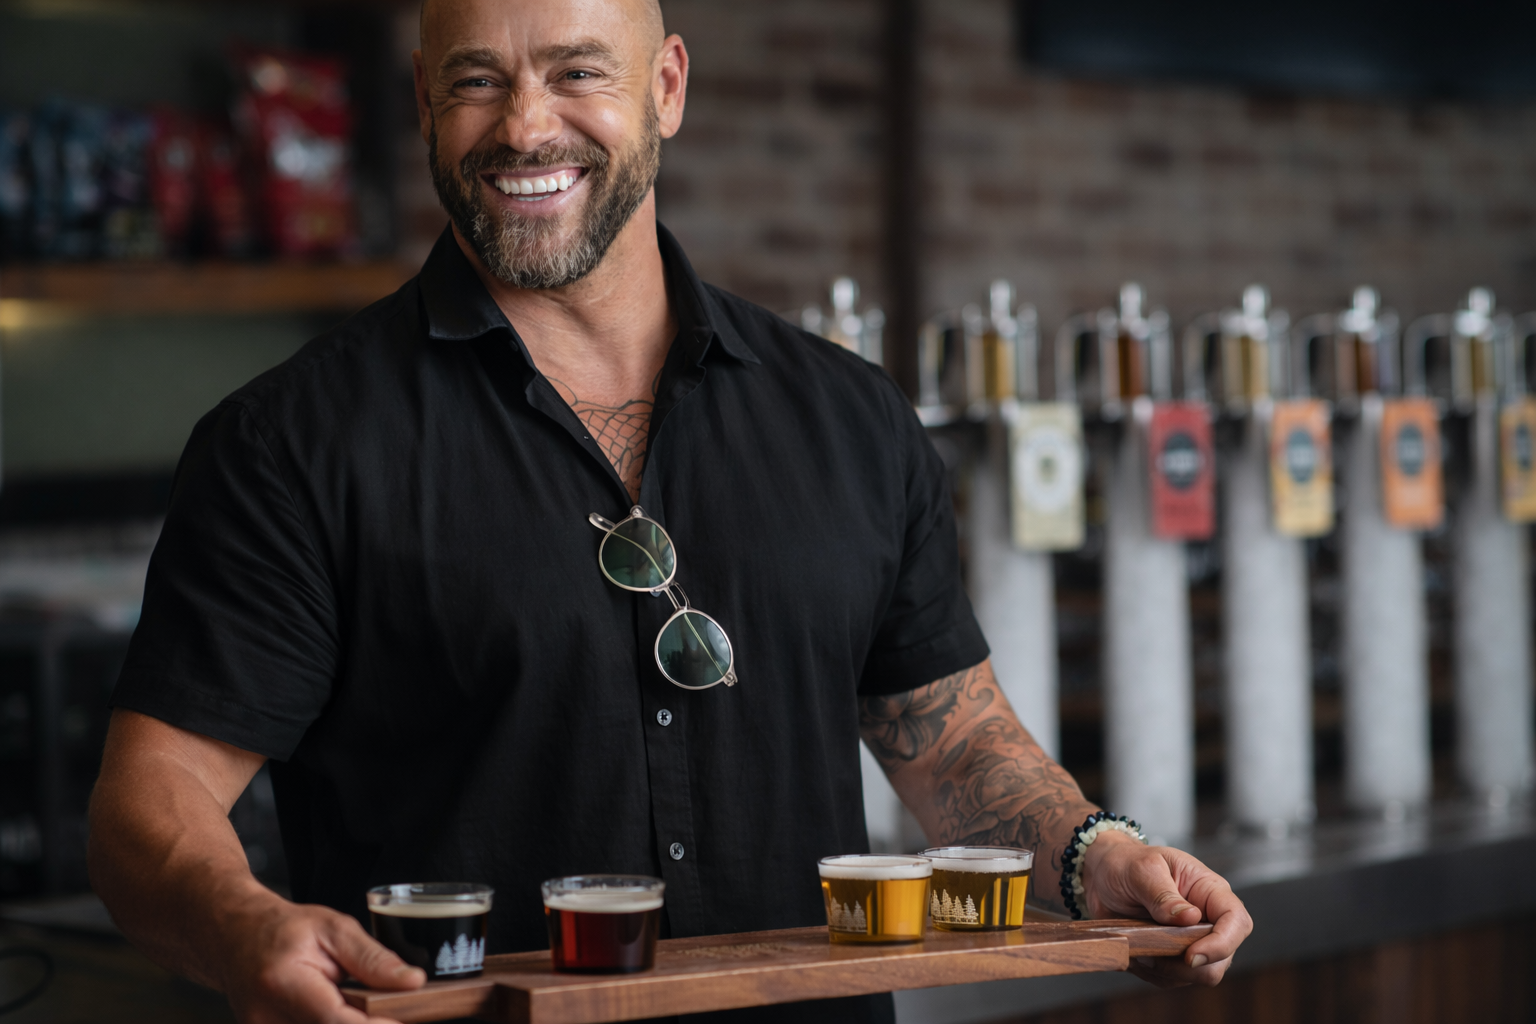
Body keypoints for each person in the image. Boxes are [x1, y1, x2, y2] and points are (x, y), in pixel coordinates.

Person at [88, 0, 1252, 1021]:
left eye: (577, 70)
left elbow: (950, 743)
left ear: (668, 87)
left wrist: (1099, 853)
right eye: (476, 79)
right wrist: (243, 928)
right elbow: (154, 802)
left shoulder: (849, 419)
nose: (525, 127)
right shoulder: (290, 445)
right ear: (423, 101)